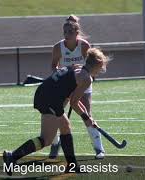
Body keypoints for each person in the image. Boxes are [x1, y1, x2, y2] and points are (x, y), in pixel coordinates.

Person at [3, 48, 109, 175]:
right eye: (101, 67)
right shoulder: (86, 78)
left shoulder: (76, 67)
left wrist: (88, 117)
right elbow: (74, 103)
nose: (101, 70)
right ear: (97, 64)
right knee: (46, 139)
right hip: (50, 99)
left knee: (65, 126)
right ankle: (12, 156)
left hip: (44, 94)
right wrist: (87, 118)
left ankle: (72, 165)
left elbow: (74, 98)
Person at [49, 15, 105, 159]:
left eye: (70, 32)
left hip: (83, 82)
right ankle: (55, 144)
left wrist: (85, 75)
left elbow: (91, 64)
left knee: (87, 114)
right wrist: (63, 72)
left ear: (76, 33)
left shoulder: (84, 46)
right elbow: (53, 66)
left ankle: (99, 149)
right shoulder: (58, 47)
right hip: (66, 84)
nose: (66, 35)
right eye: (65, 32)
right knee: (56, 114)